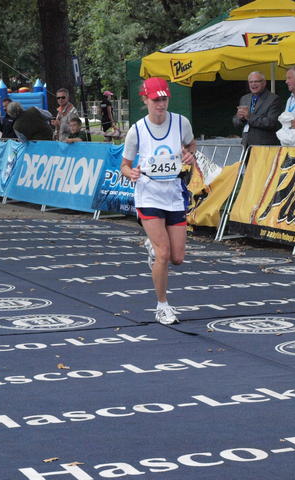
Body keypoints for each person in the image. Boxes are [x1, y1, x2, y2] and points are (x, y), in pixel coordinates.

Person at [120, 77, 196, 325]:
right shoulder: (137, 130)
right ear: (145, 100)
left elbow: (191, 145)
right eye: (155, 100)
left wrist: (189, 155)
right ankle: (162, 306)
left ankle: (153, 247)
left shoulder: (181, 123)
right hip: (149, 193)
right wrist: (131, 173)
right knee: (163, 254)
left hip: (173, 194)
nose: (161, 105)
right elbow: (124, 165)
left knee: (177, 258)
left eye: (164, 99)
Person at [232, 71, 282, 147]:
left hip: (264, 146)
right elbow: (236, 122)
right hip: (246, 145)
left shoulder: (273, 99)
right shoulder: (244, 98)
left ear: (264, 83)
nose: (253, 84)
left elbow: (272, 123)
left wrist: (249, 117)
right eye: (251, 82)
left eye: (256, 81)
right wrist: (240, 118)